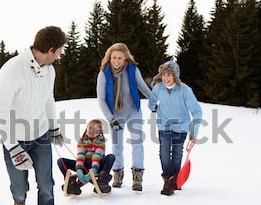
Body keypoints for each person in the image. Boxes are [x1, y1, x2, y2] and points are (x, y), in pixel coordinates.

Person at [0, 26, 67, 205]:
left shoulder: (49, 70)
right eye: (60, 51)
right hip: (14, 139)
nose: (60, 55)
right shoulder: (12, 70)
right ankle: (19, 201)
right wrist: (13, 148)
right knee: (19, 185)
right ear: (50, 50)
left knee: (46, 183)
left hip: (41, 135)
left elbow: (48, 99)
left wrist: (54, 127)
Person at [96, 42, 151, 191]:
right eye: (114, 57)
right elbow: (101, 99)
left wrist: (153, 101)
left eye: (120, 58)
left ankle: (137, 176)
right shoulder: (104, 74)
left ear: (125, 58)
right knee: (117, 146)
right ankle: (118, 173)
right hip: (115, 115)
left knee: (137, 142)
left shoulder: (132, 70)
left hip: (133, 111)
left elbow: (142, 87)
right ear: (109, 57)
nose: (116, 61)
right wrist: (111, 119)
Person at [148, 60, 202, 195]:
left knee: (177, 153)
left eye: (169, 75)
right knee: (164, 153)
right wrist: (153, 106)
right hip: (164, 124)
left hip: (181, 126)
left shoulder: (185, 90)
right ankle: (168, 179)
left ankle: (175, 178)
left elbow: (197, 111)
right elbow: (152, 101)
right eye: (164, 74)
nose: (166, 78)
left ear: (175, 76)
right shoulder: (158, 88)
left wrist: (193, 130)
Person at [57, 119, 115, 195]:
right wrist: (79, 170)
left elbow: (96, 156)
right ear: (86, 128)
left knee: (111, 157)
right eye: (90, 128)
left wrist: (94, 170)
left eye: (95, 130)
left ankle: (102, 181)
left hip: (97, 165)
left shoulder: (101, 141)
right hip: (84, 165)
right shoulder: (81, 141)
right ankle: (71, 183)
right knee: (61, 161)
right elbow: (80, 156)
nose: (92, 131)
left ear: (100, 133)